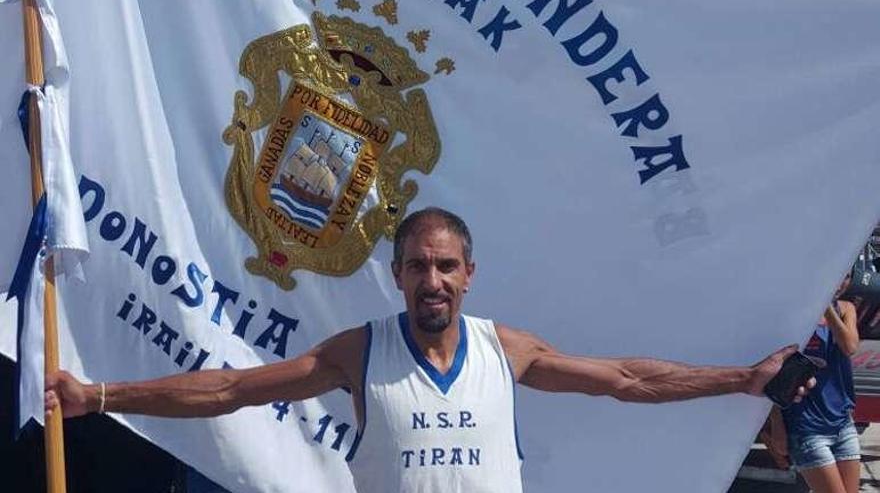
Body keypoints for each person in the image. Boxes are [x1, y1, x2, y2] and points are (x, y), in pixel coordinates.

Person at [45, 207, 812, 493]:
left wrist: (744, 378)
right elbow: (232, 389)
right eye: (418, 264)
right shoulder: (358, 352)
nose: (433, 279)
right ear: (397, 274)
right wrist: (102, 395)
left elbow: (623, 379)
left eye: (447, 265)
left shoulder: (502, 349)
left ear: (469, 275)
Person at [769, 278, 860, 493]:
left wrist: (826, 307)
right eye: (837, 275)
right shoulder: (794, 313)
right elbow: (774, 374)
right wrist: (776, 425)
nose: (840, 283)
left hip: (842, 423)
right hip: (806, 428)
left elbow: (849, 346)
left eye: (846, 277)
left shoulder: (846, 309)